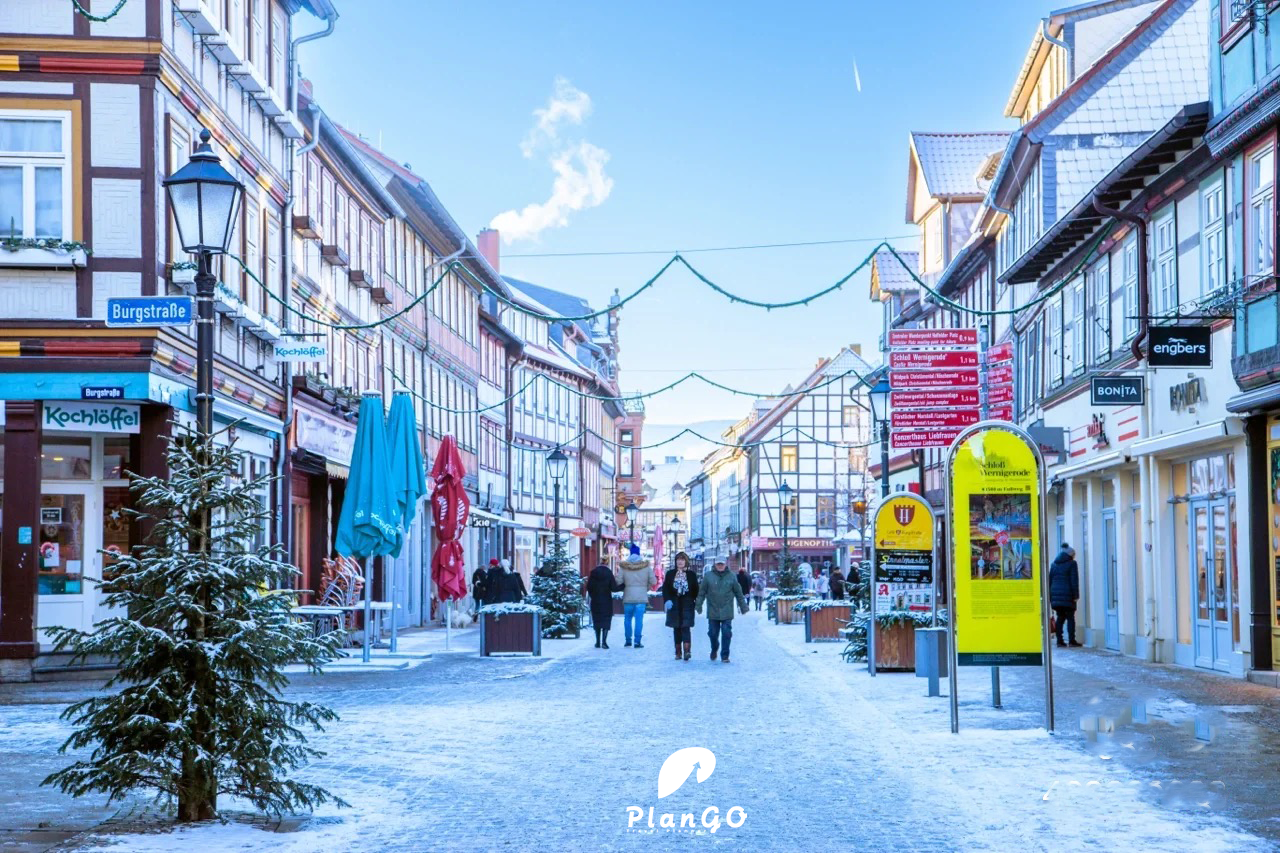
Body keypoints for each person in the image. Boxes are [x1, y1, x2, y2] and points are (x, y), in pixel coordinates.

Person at [695, 558, 749, 663]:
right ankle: (714, 648)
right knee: (713, 633)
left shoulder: (732, 576)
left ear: (725, 564)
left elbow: (738, 593)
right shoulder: (708, 576)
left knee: (726, 633)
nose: (720, 566)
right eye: (718, 564)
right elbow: (702, 592)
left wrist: (743, 606)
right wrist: (699, 605)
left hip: (727, 610)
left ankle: (725, 655)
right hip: (713, 610)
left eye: (722, 564)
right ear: (715, 564)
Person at [662, 552, 699, 661]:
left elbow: (696, 589)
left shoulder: (691, 574)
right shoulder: (670, 573)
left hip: (687, 604)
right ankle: (678, 652)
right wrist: (667, 600)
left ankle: (687, 651)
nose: (680, 561)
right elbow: (666, 589)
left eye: (682, 559)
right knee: (676, 628)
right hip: (674, 604)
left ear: (686, 561)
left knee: (686, 627)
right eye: (678, 559)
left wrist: (695, 600)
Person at [618, 544, 655, 648]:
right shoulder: (646, 567)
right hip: (641, 598)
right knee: (639, 620)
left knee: (627, 619)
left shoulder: (624, 567)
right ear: (639, 554)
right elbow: (654, 581)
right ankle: (637, 642)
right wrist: (646, 586)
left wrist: (626, 585)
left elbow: (618, 581)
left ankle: (628, 640)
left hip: (628, 598)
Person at [1049, 543, 1081, 647]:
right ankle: (1072, 640)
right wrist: (1076, 596)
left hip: (1055, 597)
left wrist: (1050, 597)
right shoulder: (1072, 564)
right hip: (1068, 596)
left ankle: (1059, 641)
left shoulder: (1053, 564)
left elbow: (1049, 581)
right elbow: (1074, 581)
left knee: (1060, 618)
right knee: (1070, 617)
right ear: (1070, 555)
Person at [585, 563, 622, 649]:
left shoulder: (593, 574)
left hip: (595, 601)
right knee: (606, 621)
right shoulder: (609, 573)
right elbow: (614, 588)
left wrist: (593, 596)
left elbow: (589, 587)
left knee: (597, 620)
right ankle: (604, 642)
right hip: (606, 601)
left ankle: (597, 642)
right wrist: (623, 586)